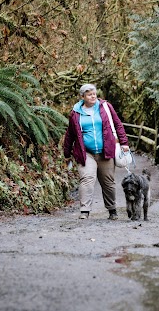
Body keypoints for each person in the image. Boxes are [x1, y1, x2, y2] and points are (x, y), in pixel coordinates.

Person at [63, 84, 129, 220]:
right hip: (85, 153)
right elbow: (70, 134)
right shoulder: (75, 113)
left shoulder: (105, 107)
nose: (93, 96)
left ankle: (112, 210)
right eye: (89, 94)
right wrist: (67, 153)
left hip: (106, 151)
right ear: (83, 97)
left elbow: (117, 124)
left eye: (94, 93)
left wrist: (124, 143)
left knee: (108, 182)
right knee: (87, 179)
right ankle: (84, 211)